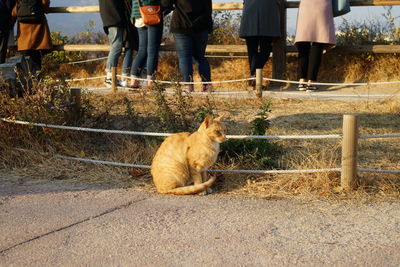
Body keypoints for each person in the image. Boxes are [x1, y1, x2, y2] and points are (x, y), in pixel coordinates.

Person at [161, 0, 213, 92]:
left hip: (181, 23)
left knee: (184, 57)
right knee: (200, 57)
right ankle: (207, 85)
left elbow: (166, 3)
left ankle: (188, 85)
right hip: (201, 24)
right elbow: (208, 7)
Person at [294, 0, 336, 92]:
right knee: (318, 41)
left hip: (306, 6)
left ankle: (301, 81)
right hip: (322, 6)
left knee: (303, 43)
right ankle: (311, 82)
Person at [239, 0, 281, 87]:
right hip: (267, 12)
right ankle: (254, 76)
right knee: (265, 49)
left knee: (252, 50)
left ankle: (253, 76)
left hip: (252, 11)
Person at [130, 0, 163, 89]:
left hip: (138, 13)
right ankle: (150, 82)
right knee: (152, 50)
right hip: (151, 12)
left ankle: (134, 81)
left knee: (142, 50)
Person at [12, 0, 52, 72]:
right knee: (37, 56)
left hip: (23, 29)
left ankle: (27, 78)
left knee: (25, 59)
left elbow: (14, 11)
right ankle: (36, 76)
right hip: (38, 27)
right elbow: (45, 5)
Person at [99, 0, 128, 87]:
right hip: (114, 18)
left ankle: (110, 77)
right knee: (116, 46)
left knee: (114, 46)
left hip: (108, 18)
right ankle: (109, 77)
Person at [120, 0, 139, 87]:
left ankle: (125, 79)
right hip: (132, 24)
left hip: (128, 23)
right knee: (131, 49)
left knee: (130, 49)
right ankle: (129, 78)